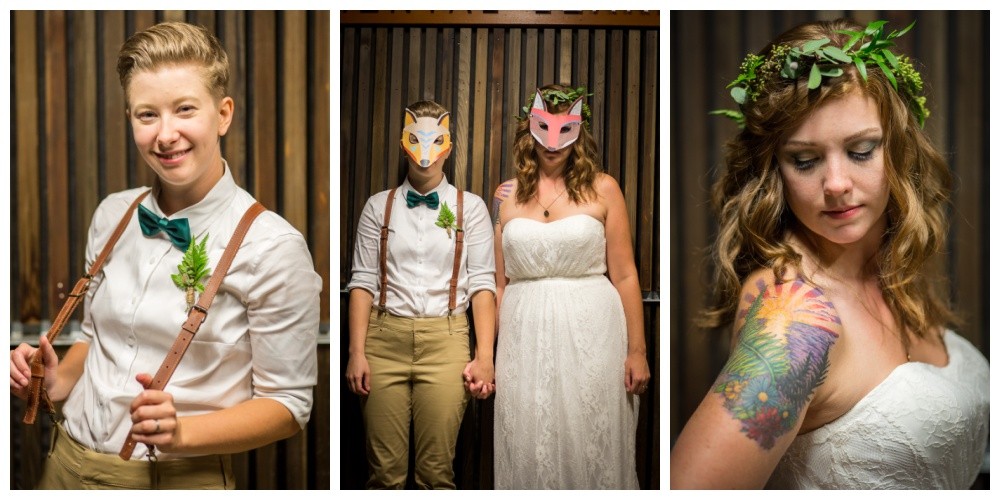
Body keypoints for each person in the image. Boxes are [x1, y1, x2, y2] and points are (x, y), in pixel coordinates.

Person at [670, 19, 989, 489]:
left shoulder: (893, 271)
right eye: (805, 160)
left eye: (861, 151)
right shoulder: (795, 316)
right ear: (774, 170)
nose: (836, 184)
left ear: (898, 149)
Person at [8, 22, 321, 489]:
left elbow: (289, 406)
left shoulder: (274, 248)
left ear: (223, 114)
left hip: (174, 480)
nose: (165, 134)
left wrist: (183, 432)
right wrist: (54, 382)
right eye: (147, 114)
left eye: (185, 110)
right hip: (63, 465)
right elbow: (96, 338)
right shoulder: (113, 213)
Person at [490, 84, 650, 489]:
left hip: (592, 332)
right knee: (527, 438)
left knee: (591, 433)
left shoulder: (604, 188)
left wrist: (637, 351)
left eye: (565, 130)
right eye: (543, 129)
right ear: (529, 130)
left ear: (581, 133)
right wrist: (490, 354)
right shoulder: (505, 197)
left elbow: (626, 274)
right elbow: (500, 283)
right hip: (522, 337)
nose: (553, 143)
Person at [344, 99, 496, 489]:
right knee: (384, 476)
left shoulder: (472, 208)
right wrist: (356, 352)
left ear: (447, 145)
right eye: (415, 139)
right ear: (403, 141)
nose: (425, 152)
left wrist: (484, 357)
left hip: (446, 342)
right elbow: (362, 281)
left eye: (435, 140)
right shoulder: (379, 206)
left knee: (436, 474)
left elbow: (482, 285)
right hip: (383, 341)